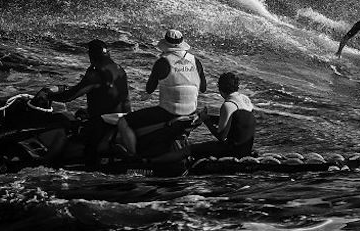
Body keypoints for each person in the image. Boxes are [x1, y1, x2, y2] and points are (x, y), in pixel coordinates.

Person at [42, 39, 131, 167]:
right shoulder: (119, 68)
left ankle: (51, 166)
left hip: (105, 120)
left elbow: (71, 96)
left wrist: (49, 96)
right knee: (82, 113)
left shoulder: (96, 72)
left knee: (70, 133)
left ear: (92, 55)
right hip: (123, 117)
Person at [116, 28, 206, 156]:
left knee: (123, 122)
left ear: (166, 44)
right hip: (192, 111)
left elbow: (149, 89)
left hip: (169, 112)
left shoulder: (163, 61)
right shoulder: (195, 61)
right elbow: (203, 88)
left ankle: (133, 156)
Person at [144, 71, 255, 164]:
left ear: (220, 89)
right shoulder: (245, 99)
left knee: (188, 149)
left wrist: (206, 120)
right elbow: (237, 123)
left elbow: (221, 136)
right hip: (245, 148)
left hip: (231, 150)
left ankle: (152, 162)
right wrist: (209, 118)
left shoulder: (228, 105)